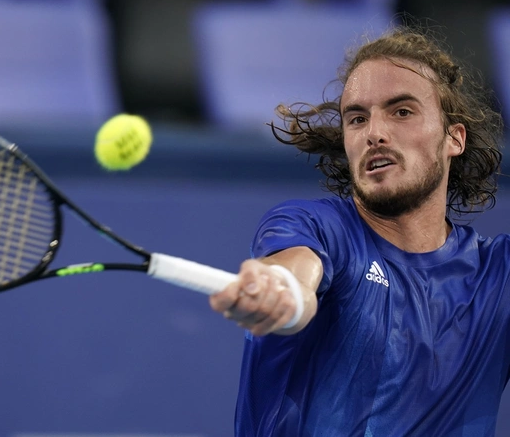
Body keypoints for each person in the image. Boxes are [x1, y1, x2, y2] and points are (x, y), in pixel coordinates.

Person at [209, 24, 508, 436]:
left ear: (453, 138)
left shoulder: (498, 276)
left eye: (402, 112)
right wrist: (284, 289)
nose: (374, 133)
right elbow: (297, 271)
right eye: (357, 119)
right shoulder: (314, 227)